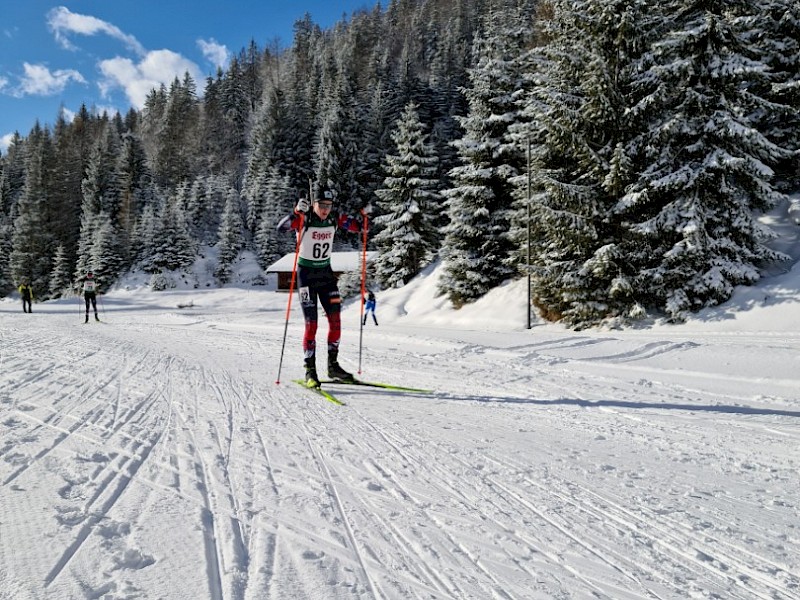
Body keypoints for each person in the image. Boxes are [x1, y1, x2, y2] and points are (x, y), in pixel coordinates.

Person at [278, 186, 368, 387]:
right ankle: (310, 370)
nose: (325, 209)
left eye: (329, 205)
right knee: (312, 325)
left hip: (326, 275)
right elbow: (281, 228)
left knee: (336, 322)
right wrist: (295, 212)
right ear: (314, 203)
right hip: (306, 276)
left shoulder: (335, 218)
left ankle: (333, 366)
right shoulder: (305, 218)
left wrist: (365, 216)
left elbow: (359, 227)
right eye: (321, 205)